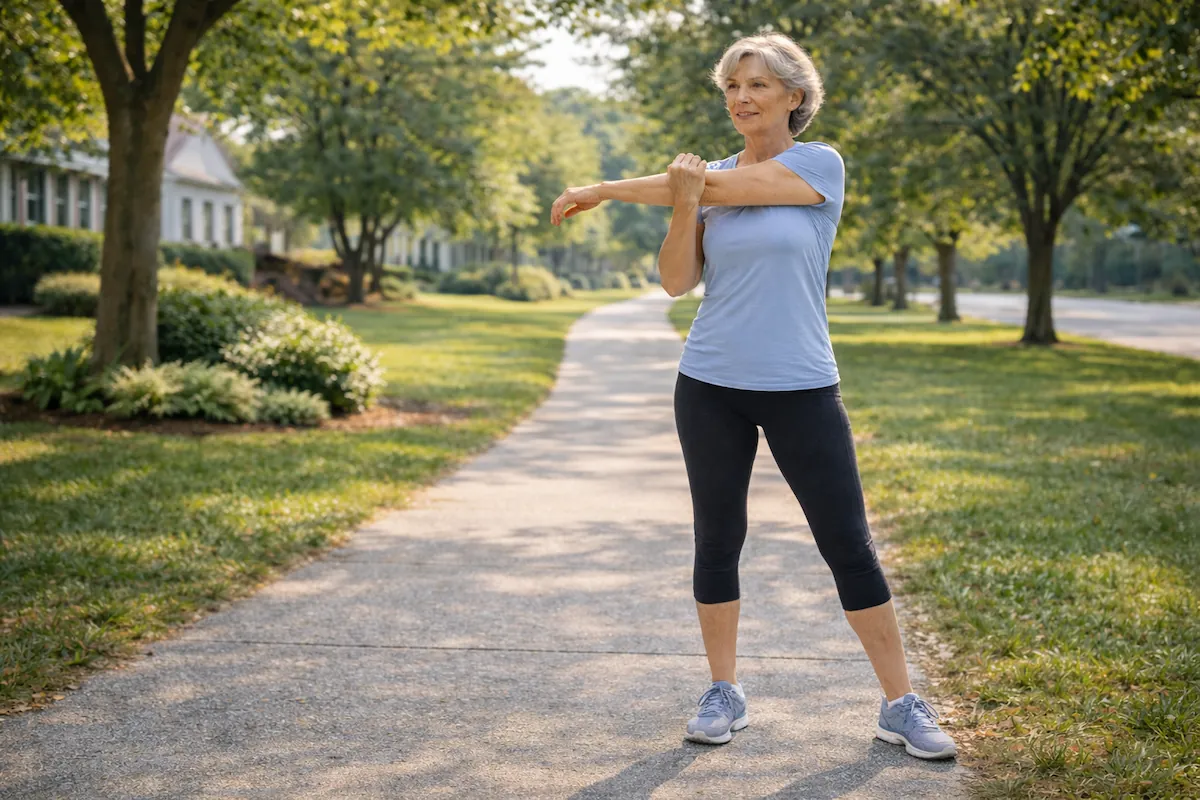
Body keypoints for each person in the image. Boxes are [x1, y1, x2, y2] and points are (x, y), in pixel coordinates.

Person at [550, 33, 956, 761]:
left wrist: (605, 189)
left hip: (802, 384)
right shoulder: (704, 180)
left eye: (758, 85)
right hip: (709, 383)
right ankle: (723, 690)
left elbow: (724, 188)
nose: (741, 98)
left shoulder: (817, 164)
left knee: (848, 545)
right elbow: (677, 281)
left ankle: (900, 702)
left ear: (794, 97)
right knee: (717, 539)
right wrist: (681, 203)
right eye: (732, 87)